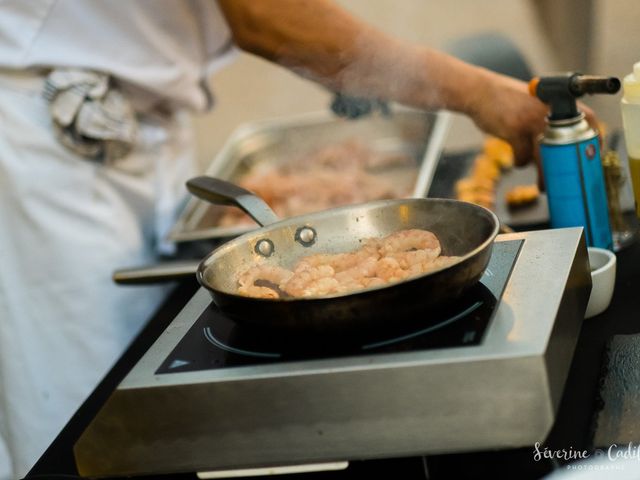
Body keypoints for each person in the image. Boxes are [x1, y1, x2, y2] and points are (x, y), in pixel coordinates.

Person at [0, 1, 596, 479]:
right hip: (50, 150)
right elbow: (266, 14)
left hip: (134, 120)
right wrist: (478, 92)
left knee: (140, 413)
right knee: (90, 426)